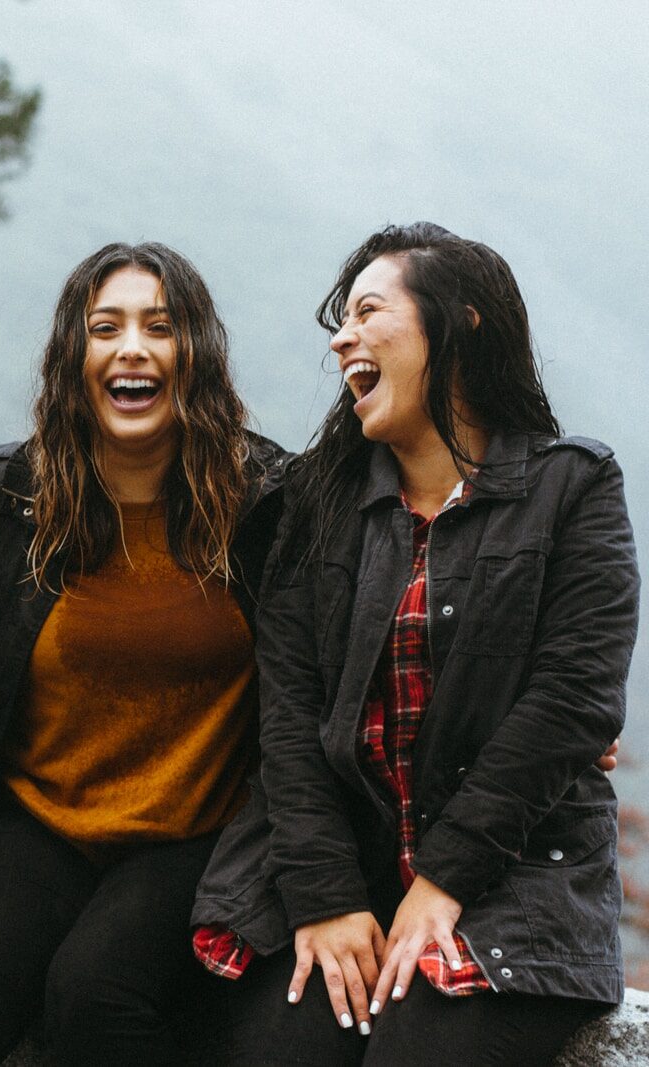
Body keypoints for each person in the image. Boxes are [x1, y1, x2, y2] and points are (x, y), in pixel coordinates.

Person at [192, 222, 639, 1066]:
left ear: (463, 325)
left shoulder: (572, 487)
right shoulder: (311, 505)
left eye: (367, 309)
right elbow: (286, 719)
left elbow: (573, 702)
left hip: (514, 882)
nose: (341, 336)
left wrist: (442, 883)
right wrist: (324, 897)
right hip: (346, 873)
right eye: (340, 319)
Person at [0, 242, 289, 1066]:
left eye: (160, 327)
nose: (132, 347)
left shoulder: (267, 507)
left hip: (196, 834)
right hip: (37, 821)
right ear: (77, 356)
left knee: (94, 995)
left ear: (194, 353)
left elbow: (372, 627)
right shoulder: (10, 501)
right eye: (107, 328)